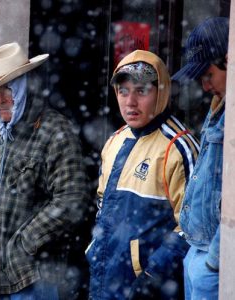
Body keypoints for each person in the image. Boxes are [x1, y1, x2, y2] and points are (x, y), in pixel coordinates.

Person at [0, 42, 89, 299]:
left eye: (7, 90)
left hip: (34, 278)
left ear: (23, 88)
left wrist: (24, 243)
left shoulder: (55, 130)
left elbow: (72, 199)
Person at [86, 50, 200, 299]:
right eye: (123, 91)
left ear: (161, 91)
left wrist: (152, 276)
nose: (130, 102)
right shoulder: (115, 141)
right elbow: (103, 206)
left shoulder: (179, 147)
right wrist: (95, 252)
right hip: (106, 279)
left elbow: (193, 228)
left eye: (141, 91)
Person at [172, 17, 229, 300]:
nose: (205, 87)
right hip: (199, 251)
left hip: (212, 257)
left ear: (229, 62)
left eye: (208, 75)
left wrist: (214, 261)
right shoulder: (220, 106)